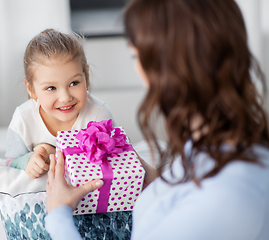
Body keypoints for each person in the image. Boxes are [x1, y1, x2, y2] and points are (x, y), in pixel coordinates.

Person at [45, 0, 269, 239]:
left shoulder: (225, 199)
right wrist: (150, 179)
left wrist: (58, 214)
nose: (138, 71)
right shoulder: (219, 142)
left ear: (169, 70)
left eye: (136, 57)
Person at [5, 29, 114, 179]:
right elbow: (11, 162)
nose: (65, 98)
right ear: (31, 90)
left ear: (86, 78)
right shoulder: (23, 120)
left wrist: (55, 154)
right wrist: (28, 160)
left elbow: (112, 161)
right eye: (51, 88)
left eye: (74, 83)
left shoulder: (99, 115)